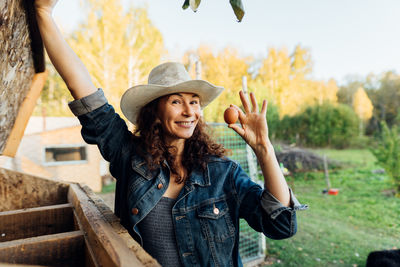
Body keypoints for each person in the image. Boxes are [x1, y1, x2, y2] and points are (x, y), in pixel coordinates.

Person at [34, 1, 307, 266]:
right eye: (176, 101)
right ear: (154, 111)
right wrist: (44, 13)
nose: (189, 111)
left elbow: (281, 225)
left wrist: (264, 150)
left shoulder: (224, 175)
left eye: (194, 101)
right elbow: (88, 98)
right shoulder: (130, 157)